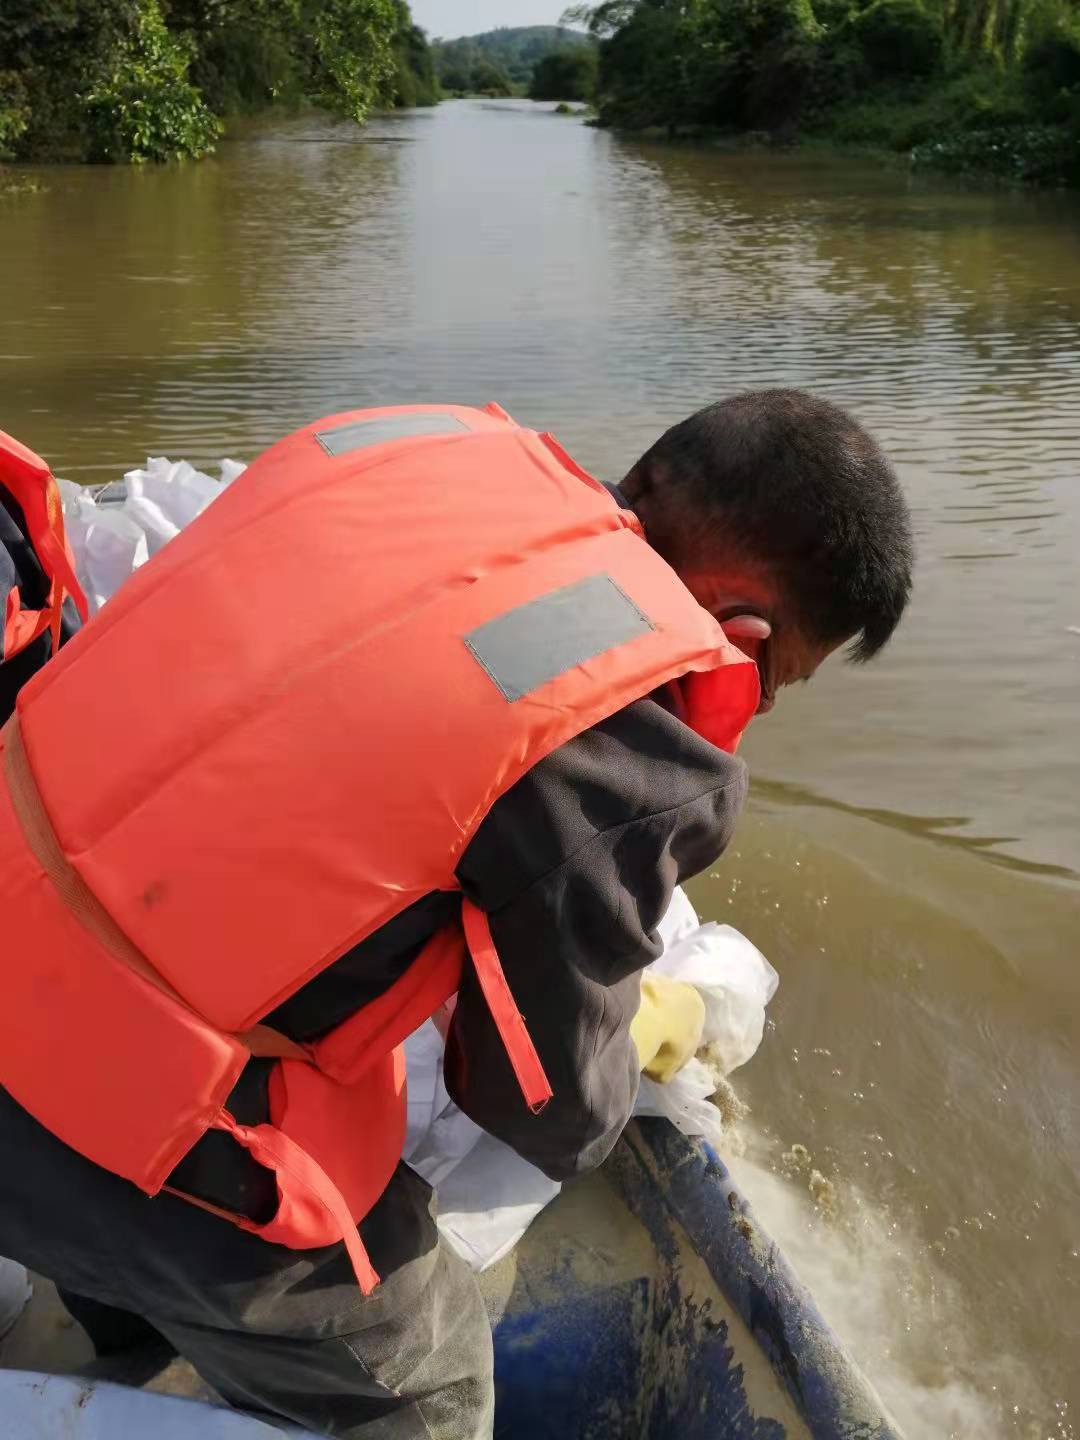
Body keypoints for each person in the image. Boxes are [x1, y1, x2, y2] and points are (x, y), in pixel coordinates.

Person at [0, 389, 912, 1439]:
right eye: (773, 683)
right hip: (98, 1111)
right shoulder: (620, 735)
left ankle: (131, 1331)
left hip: (22, 931)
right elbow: (544, 1107)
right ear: (744, 630)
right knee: (427, 1382)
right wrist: (649, 1022)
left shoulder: (415, 450)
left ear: (654, 476)